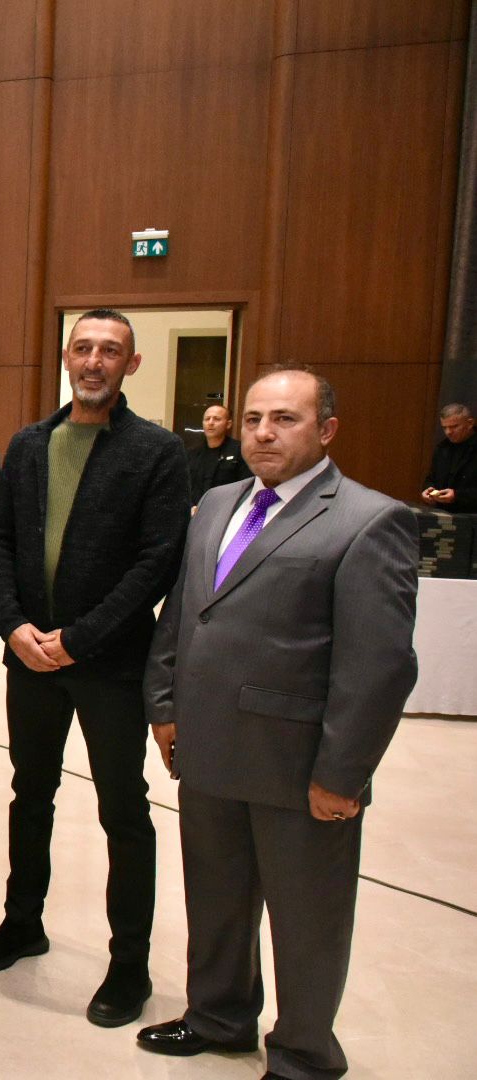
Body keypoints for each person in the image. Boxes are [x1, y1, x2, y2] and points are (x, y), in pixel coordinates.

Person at [139, 369, 418, 1080]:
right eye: (254, 418)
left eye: (285, 419)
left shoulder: (368, 520)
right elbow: (186, 610)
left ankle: (302, 1055)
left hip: (298, 767)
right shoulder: (219, 502)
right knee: (216, 901)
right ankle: (218, 1016)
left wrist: (342, 775)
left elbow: (378, 668)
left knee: (306, 921)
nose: (263, 433)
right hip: (207, 751)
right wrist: (164, 705)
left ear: (326, 430)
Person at [0, 308, 190, 1028]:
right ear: (66, 357)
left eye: (110, 351)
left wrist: (81, 637)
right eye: (84, 348)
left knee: (123, 811)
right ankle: (21, 922)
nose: (94, 361)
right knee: (29, 794)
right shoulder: (30, 443)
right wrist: (14, 625)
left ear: (131, 364)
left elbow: (157, 561)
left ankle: (130, 965)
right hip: (31, 655)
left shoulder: (157, 452)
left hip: (110, 664)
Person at [185, 403, 250, 505]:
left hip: (228, 508)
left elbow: (246, 487)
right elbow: (185, 486)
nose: (210, 423)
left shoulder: (240, 451)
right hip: (196, 510)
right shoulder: (192, 454)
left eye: (216, 419)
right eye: (207, 419)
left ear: (228, 424)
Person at [419, 402, 477, 511]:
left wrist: (457, 496)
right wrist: (428, 490)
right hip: (443, 511)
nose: (448, 432)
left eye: (454, 426)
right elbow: (431, 478)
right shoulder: (442, 448)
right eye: (444, 427)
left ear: (470, 423)